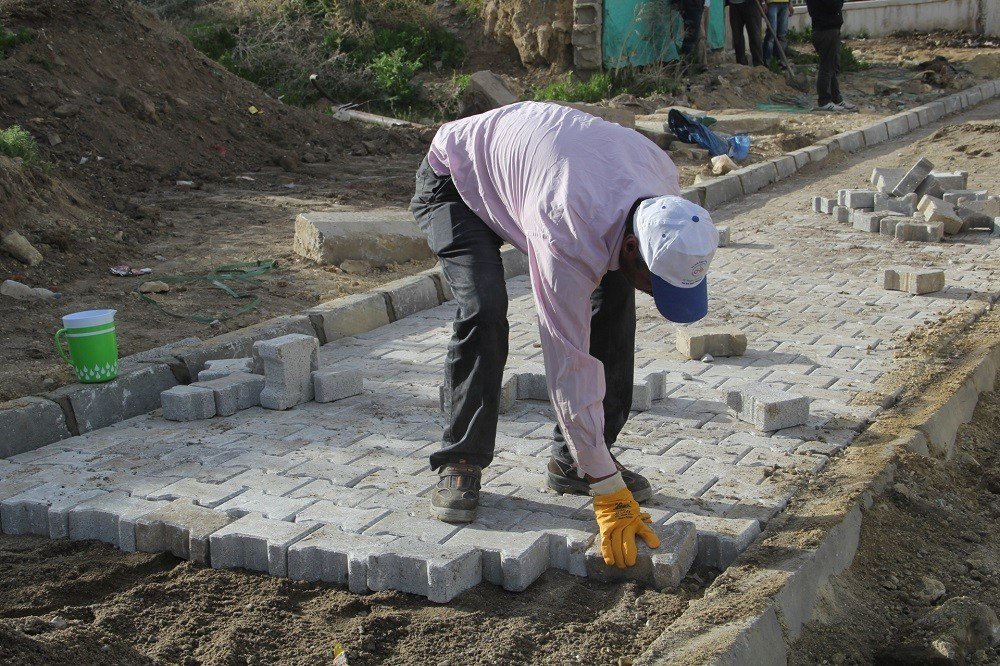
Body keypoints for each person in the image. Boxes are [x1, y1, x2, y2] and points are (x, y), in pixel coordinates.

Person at [410, 101, 719, 569]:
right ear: (634, 247)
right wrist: (609, 492)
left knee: (616, 301)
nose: (658, 295)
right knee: (485, 307)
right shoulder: (566, 230)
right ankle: (461, 461)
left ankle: (576, 463)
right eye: (656, 282)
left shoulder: (661, 180)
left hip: (540, 173)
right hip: (456, 176)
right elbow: (566, 360)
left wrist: (596, 465)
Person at [805, 0, 857, 110]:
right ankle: (824, 101)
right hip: (826, 31)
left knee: (832, 66)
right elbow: (835, 6)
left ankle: (836, 99)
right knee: (827, 67)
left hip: (826, 30)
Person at [726, 0, 764, 67]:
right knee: (737, 37)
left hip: (751, 3)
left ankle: (758, 65)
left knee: (755, 35)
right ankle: (741, 65)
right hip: (734, 4)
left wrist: (763, 2)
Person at [762, 0, 793, 65]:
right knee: (771, 33)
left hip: (785, 3)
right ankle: (767, 60)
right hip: (771, 3)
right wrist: (763, 2)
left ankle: (780, 60)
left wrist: (790, 3)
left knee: (782, 34)